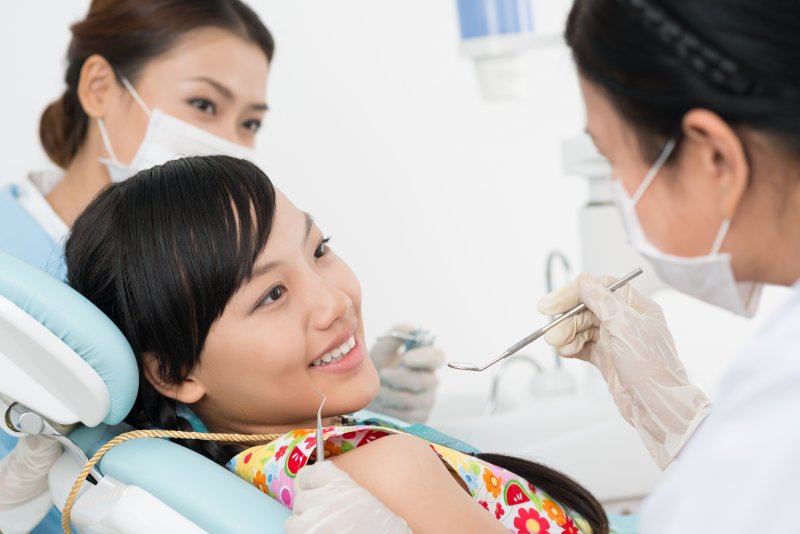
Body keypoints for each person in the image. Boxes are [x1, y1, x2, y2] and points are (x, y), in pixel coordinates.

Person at [64, 155, 609, 533]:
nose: (335, 301)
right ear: (173, 373)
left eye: (319, 249)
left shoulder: (285, 465)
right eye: (272, 294)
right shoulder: (384, 473)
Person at [533, 0, 800, 531]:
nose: (618, 187)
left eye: (612, 158)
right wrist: (685, 424)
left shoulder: (782, 391)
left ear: (714, 159)